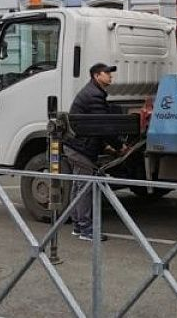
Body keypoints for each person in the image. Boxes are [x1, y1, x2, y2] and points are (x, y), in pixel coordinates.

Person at [64, 62, 125, 241]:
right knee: (84, 187)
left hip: (77, 146)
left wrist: (105, 146)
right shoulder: (94, 95)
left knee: (78, 186)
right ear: (96, 76)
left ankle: (77, 225)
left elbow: (93, 127)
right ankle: (86, 229)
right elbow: (103, 126)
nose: (110, 76)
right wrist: (119, 145)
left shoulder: (93, 92)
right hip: (80, 148)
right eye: (107, 73)